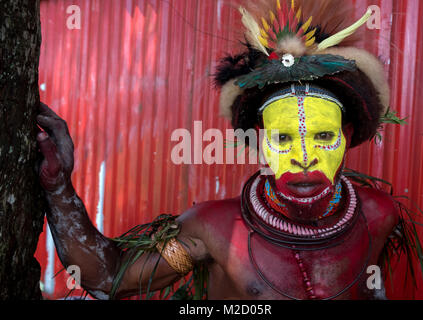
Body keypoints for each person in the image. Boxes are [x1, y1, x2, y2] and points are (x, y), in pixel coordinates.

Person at [37, 0, 401, 300]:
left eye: (322, 137)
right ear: (260, 140)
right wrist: (58, 188)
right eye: (284, 139)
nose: (303, 157)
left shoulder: (378, 216)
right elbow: (110, 277)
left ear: (347, 133)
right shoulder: (213, 232)